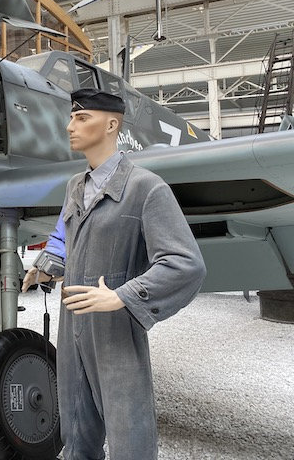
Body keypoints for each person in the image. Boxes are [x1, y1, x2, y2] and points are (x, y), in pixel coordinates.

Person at [22, 87, 207, 460]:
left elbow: (186, 263)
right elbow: (65, 236)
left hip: (116, 332)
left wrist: (122, 296)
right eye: (71, 118)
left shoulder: (145, 188)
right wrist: (47, 267)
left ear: (111, 125)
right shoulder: (76, 186)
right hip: (72, 325)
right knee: (76, 433)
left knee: (129, 436)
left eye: (81, 118)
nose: (70, 126)